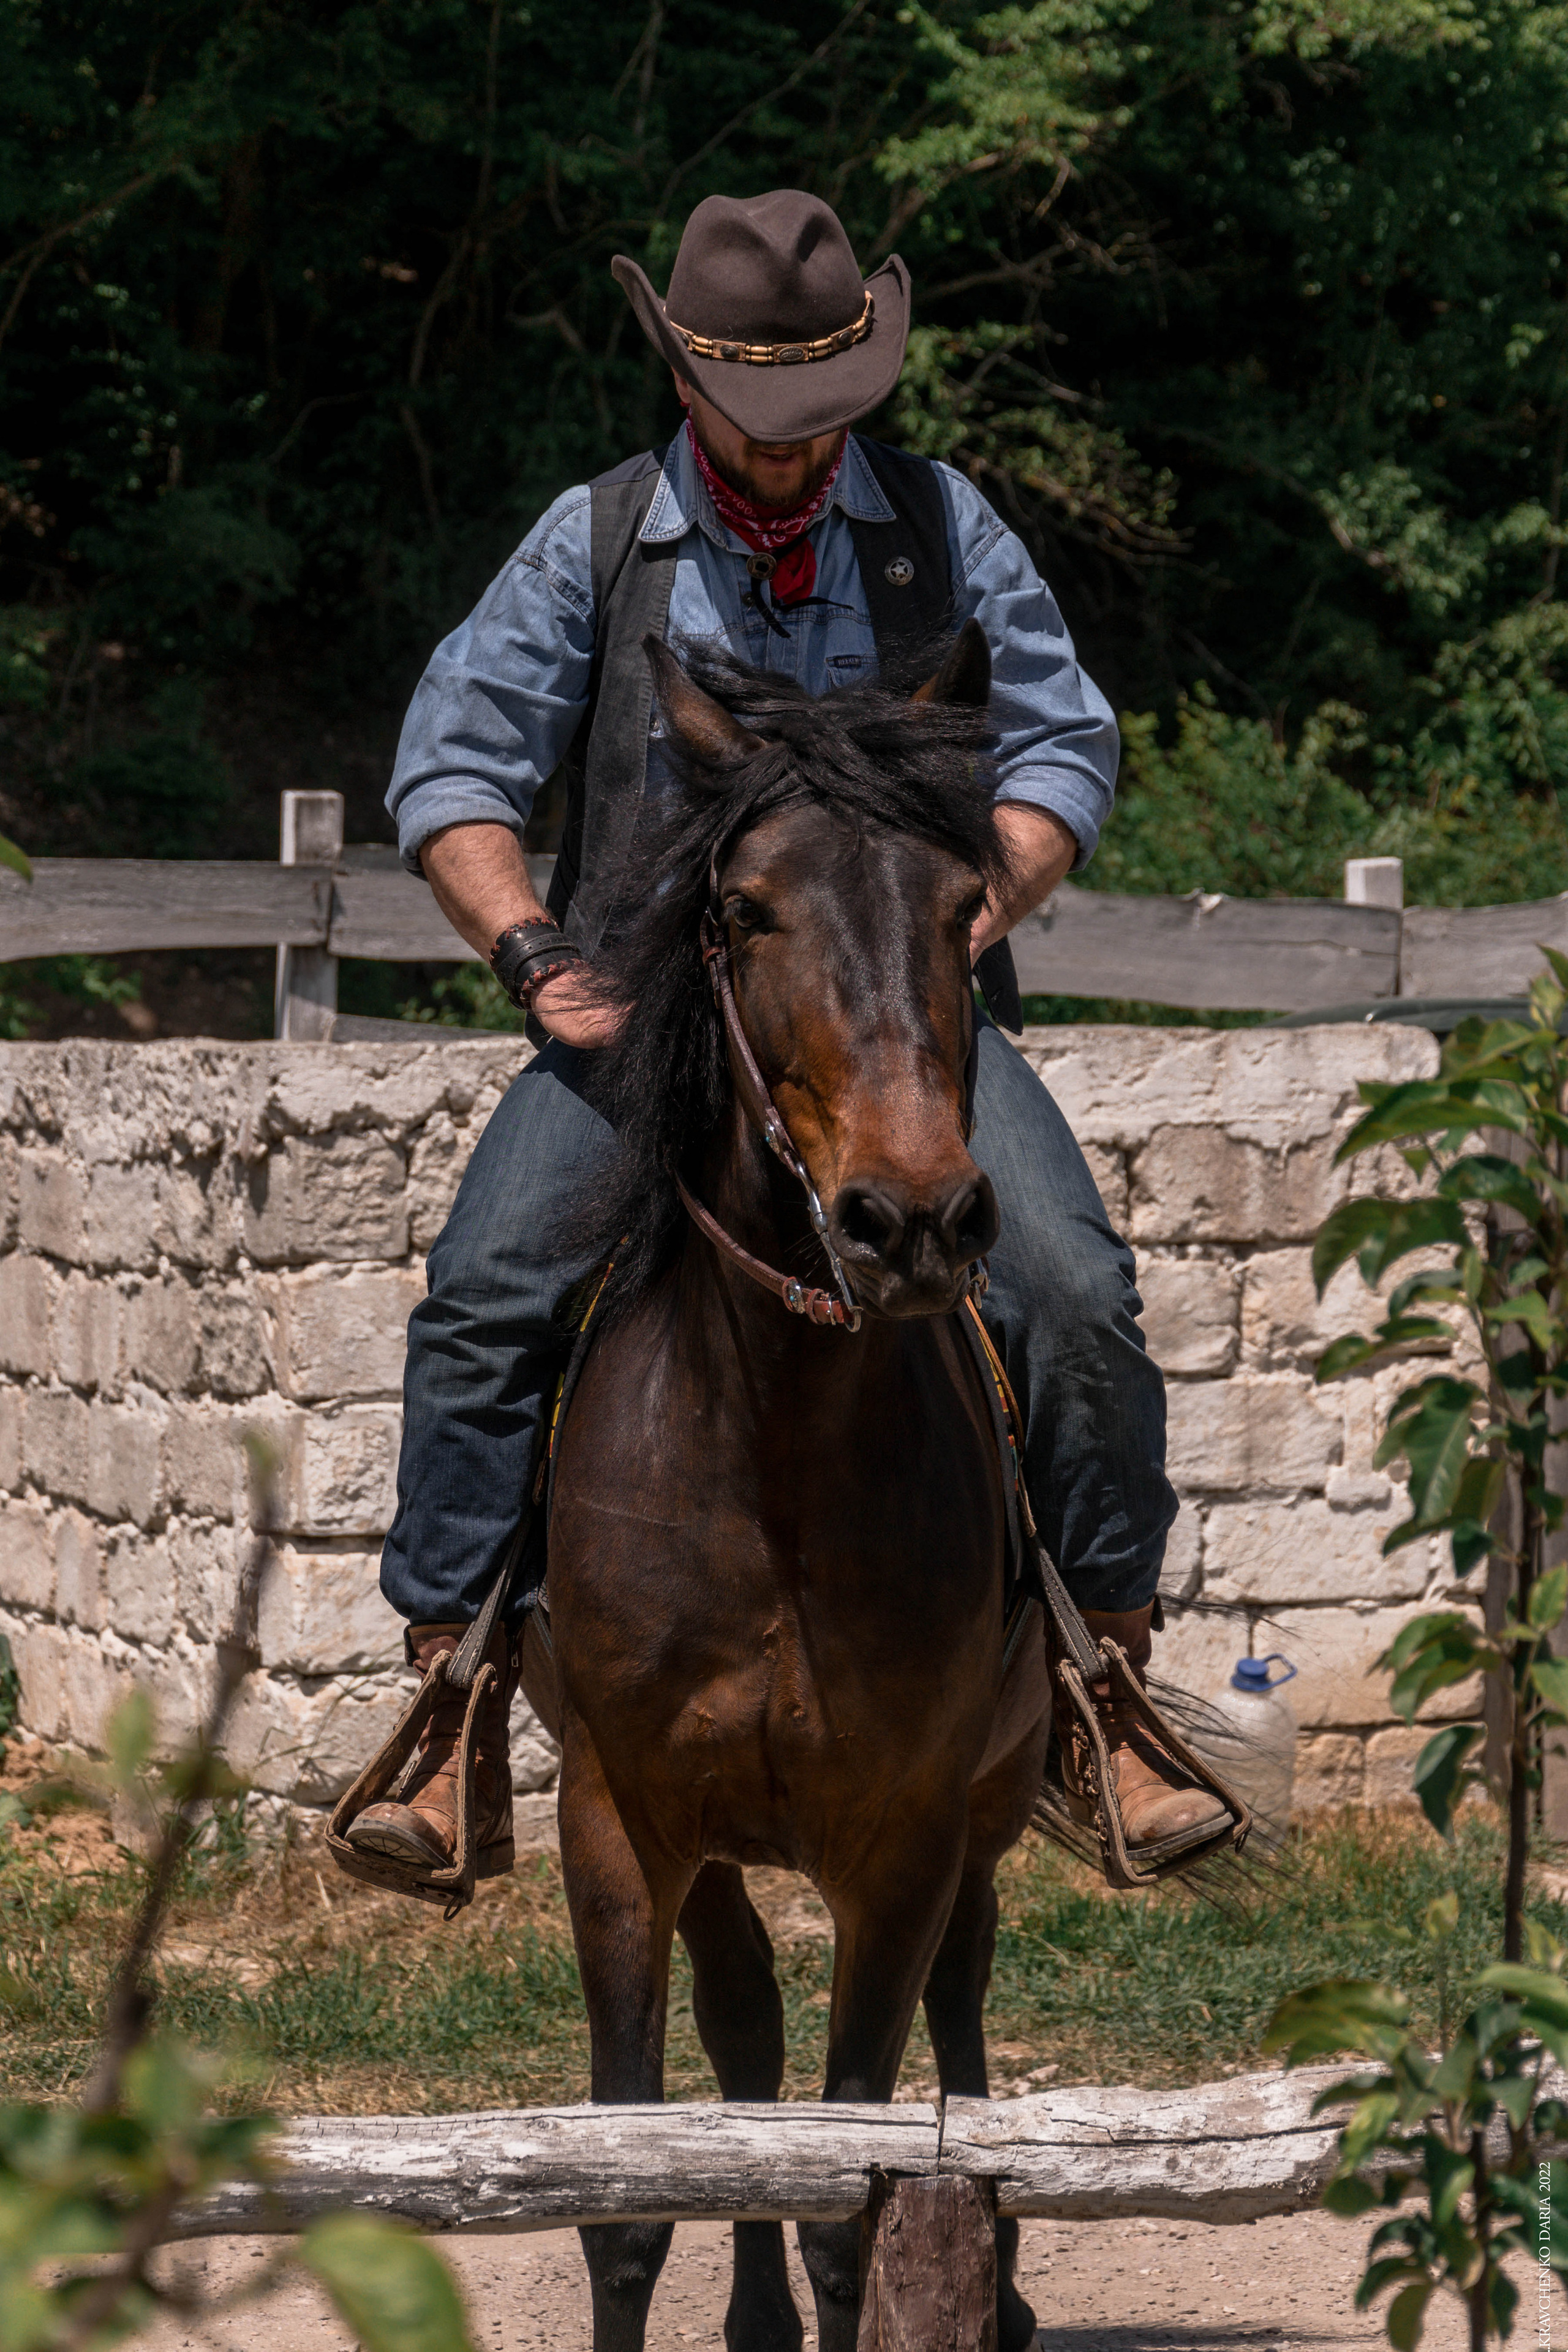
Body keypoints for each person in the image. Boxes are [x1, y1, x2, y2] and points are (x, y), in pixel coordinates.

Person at [341, 188, 1226, 1893]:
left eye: (829, 422)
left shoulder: (941, 525)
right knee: (488, 1283)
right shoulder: (594, 542)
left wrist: (983, 909)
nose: (800, 456)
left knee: (1072, 1291)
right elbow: (452, 767)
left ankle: (1103, 1689)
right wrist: (533, 950)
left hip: (899, 1009)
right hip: (651, 1015)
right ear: (689, 390)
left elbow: (1065, 743)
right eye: (766, 426)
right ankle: (446, 1709)